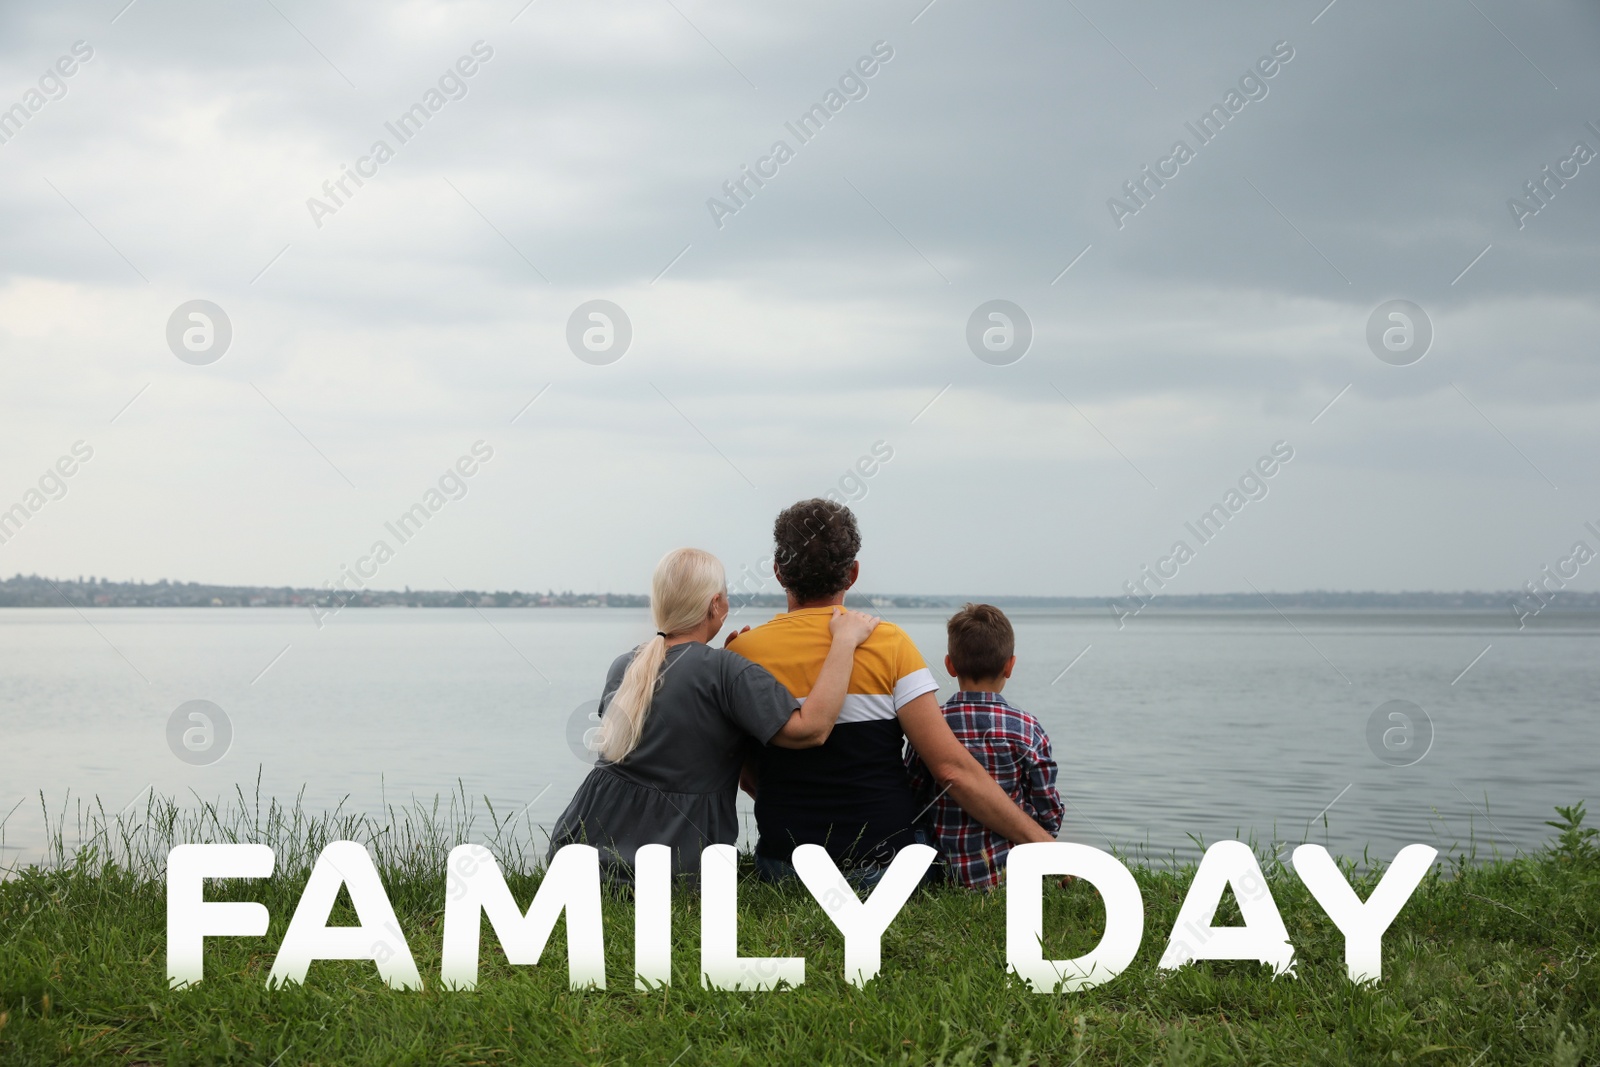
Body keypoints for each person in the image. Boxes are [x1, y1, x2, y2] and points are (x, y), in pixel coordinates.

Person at [728, 499, 1056, 887]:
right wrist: (1044, 846)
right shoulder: (890, 644)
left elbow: (741, 770)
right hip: (884, 869)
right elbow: (952, 770)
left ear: (779, 573)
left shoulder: (742, 654)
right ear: (852, 573)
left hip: (784, 866)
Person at [548, 547, 880, 881]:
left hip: (578, 852)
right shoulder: (726, 672)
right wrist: (844, 642)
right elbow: (812, 729)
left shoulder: (626, 666)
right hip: (673, 864)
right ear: (715, 605)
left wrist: (727, 677)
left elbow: (676, 719)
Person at [906, 604, 1063, 890]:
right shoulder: (1026, 728)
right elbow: (1049, 810)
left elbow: (914, 796)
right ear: (1010, 666)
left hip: (945, 874)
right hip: (1013, 875)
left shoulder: (931, 727)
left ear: (949, 665)